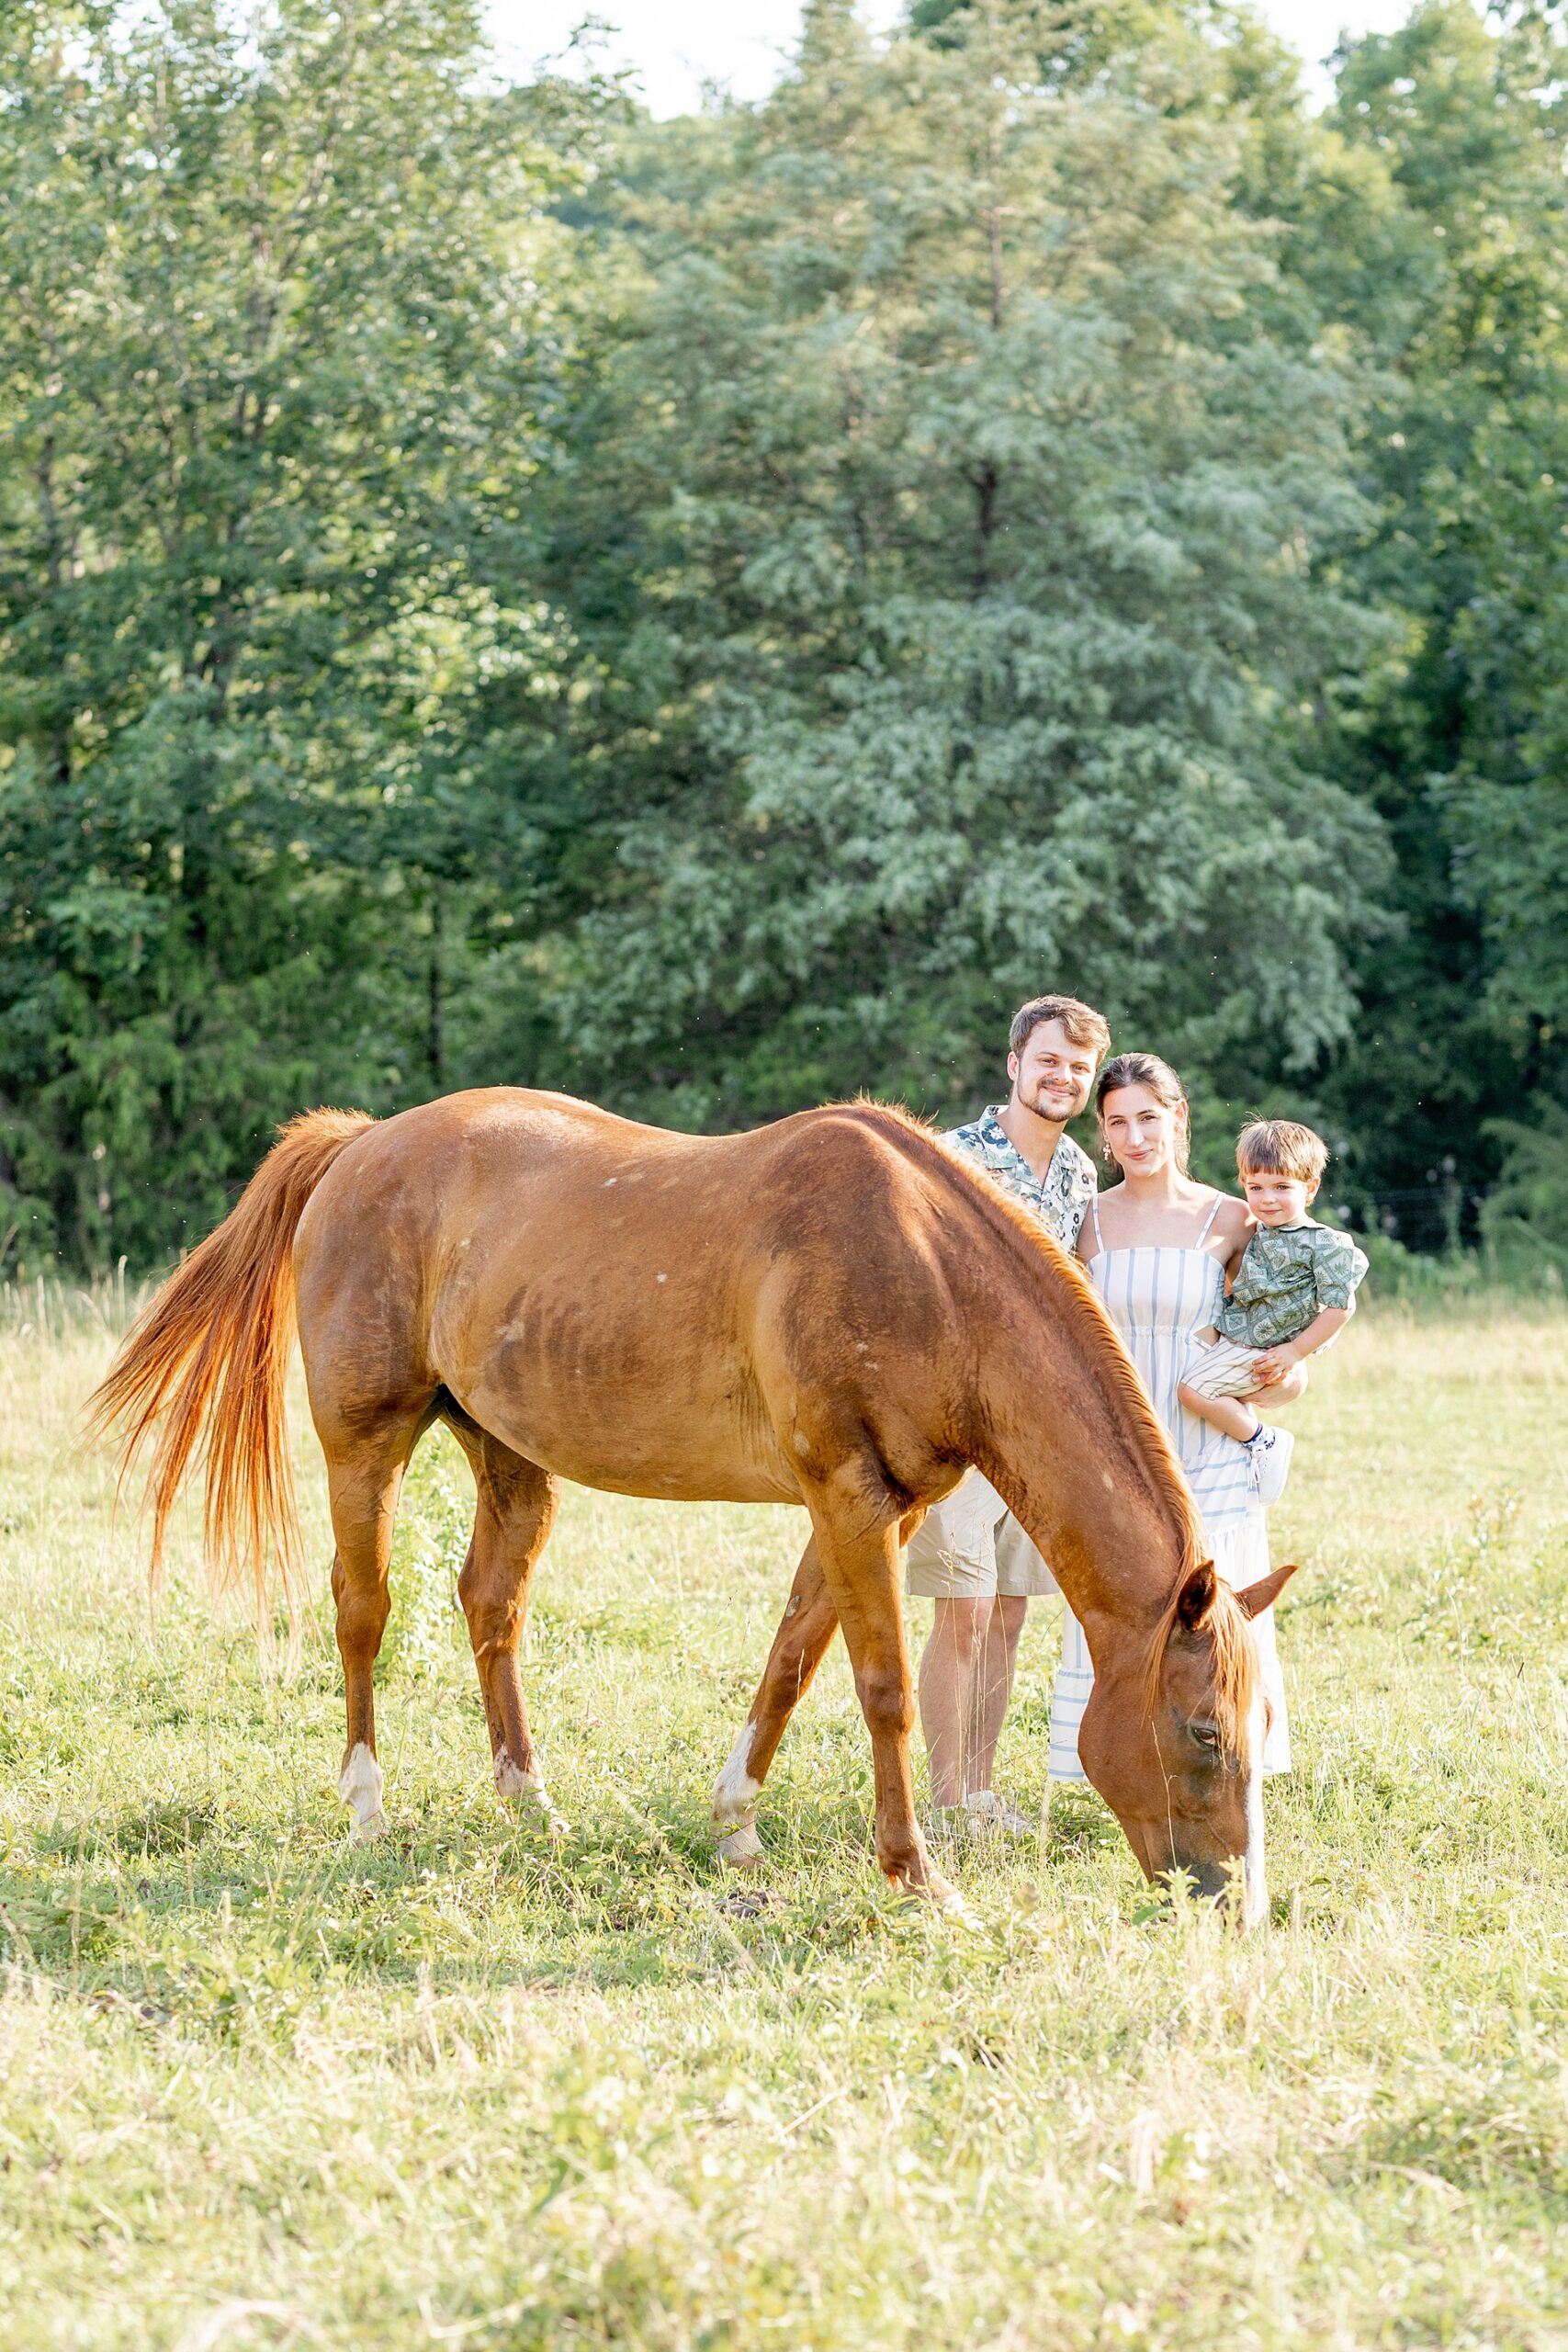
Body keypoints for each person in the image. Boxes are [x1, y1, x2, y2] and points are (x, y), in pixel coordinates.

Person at [904, 991, 1110, 1836]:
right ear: (1014, 1064)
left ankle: (983, 1792)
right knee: (963, 1608)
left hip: (1030, 1431)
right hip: (956, 1422)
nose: (1062, 1077)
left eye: (1078, 1067)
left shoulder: (1076, 1175)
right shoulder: (946, 1159)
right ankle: (946, 1799)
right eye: (1049, 1060)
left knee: (1012, 1610)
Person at [1064, 1052, 1299, 1783]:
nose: (1135, 1137)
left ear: (1177, 1118)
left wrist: (1279, 1378)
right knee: (1122, 1607)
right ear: (1102, 1135)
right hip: (1122, 1451)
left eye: (1147, 1118)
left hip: (1207, 1445)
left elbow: (1279, 1345)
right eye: (1117, 1124)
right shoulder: (1087, 1223)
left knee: (1218, 1612)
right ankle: (1123, 1764)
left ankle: (1231, 1759)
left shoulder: (1230, 1218)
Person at [1177, 1119, 1370, 1498]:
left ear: (1310, 1187)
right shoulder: (1259, 1231)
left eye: (1282, 1187)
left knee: (1191, 1392)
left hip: (1266, 1351)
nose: (1267, 1199)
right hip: (1241, 1340)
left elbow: (1339, 1307)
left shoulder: (1322, 1243)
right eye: (1256, 1187)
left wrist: (1295, 1352)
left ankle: (1263, 1442)